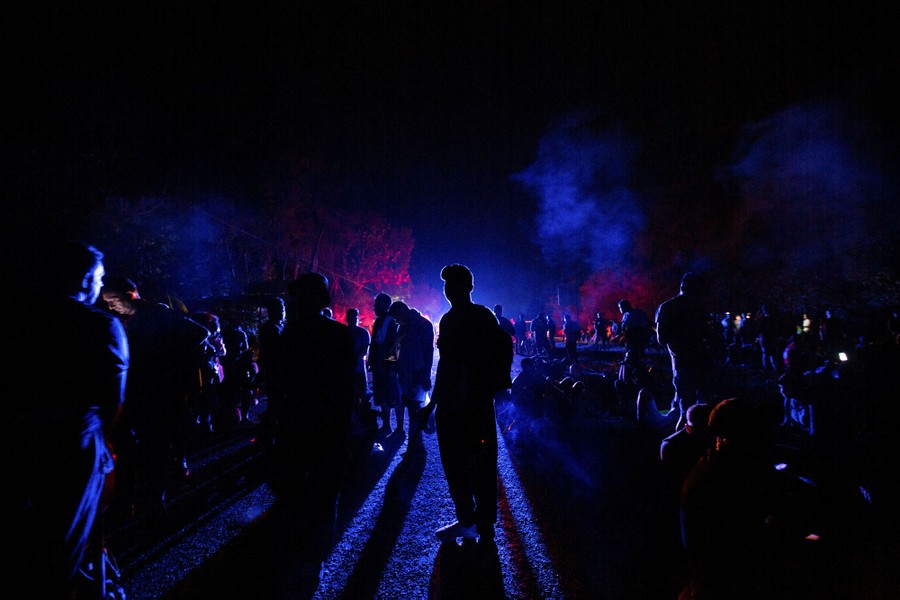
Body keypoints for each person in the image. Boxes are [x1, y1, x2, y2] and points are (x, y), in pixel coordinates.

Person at [8, 241, 129, 599]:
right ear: (86, 278)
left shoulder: (17, 317)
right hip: (73, 442)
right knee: (65, 539)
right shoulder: (100, 325)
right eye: (100, 278)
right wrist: (103, 443)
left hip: (15, 440)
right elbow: (113, 398)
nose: (102, 287)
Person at [266, 272, 356, 591]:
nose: (297, 303)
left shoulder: (296, 336)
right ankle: (307, 556)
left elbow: (346, 389)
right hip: (313, 426)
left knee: (309, 492)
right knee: (313, 493)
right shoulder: (333, 336)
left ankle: (306, 557)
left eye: (302, 297)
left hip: (312, 426)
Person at [101, 275, 211, 522]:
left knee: (156, 451)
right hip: (131, 397)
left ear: (131, 293)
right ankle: (126, 502)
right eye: (106, 302)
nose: (111, 306)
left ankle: (154, 504)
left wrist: (167, 359)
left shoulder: (157, 313)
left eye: (114, 300)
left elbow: (199, 332)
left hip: (158, 397)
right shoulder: (120, 321)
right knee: (128, 452)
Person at [423, 264, 512, 543]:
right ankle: (470, 521)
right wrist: (433, 404)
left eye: (454, 284)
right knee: (457, 465)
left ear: (468, 287)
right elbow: (447, 366)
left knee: (478, 465)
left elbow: (481, 359)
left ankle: (480, 524)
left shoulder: (476, 318)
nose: (449, 290)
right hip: (456, 406)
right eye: (447, 285)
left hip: (472, 406)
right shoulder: (454, 319)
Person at [654, 273, 715, 431]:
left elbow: (661, 338)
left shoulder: (667, 307)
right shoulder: (700, 307)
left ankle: (679, 448)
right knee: (704, 409)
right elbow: (707, 334)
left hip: (682, 363)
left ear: (681, 287)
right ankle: (701, 445)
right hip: (702, 361)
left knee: (685, 411)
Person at [388, 300, 435, 457]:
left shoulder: (423, 325)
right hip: (405, 374)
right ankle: (416, 446)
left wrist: (426, 375)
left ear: (402, 311)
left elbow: (429, 352)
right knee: (411, 410)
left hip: (417, 373)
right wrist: (390, 363)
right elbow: (395, 350)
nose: (396, 321)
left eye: (396, 317)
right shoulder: (403, 327)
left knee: (415, 411)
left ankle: (415, 448)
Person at [369, 292, 401, 436]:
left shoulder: (391, 322)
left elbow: (393, 346)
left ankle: (399, 428)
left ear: (385, 305)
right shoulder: (379, 321)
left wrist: (391, 365)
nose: (374, 306)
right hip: (378, 366)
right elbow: (375, 344)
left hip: (387, 367)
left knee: (392, 396)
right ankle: (387, 425)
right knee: (382, 396)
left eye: (377, 304)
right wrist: (371, 361)